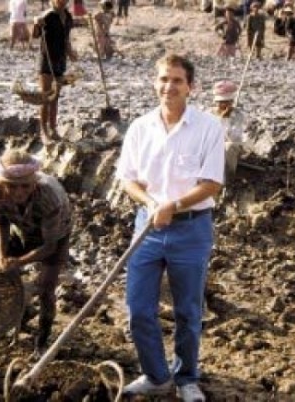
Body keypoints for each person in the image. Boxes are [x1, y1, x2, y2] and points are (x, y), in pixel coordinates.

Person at [116, 54, 225, 401]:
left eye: (177, 80)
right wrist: (151, 205)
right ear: (155, 83)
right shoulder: (140, 127)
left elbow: (211, 184)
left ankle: (186, 377)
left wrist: (173, 205)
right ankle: (156, 375)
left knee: (188, 311)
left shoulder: (209, 127)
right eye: (164, 79)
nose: (169, 86)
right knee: (138, 309)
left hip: (191, 229)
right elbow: (127, 179)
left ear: (190, 87)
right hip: (147, 227)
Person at [0, 148, 72, 356]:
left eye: (25, 186)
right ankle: (8, 320)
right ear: (3, 183)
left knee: (45, 288)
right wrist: (1, 254)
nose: (19, 192)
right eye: (12, 187)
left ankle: (42, 341)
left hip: (55, 235)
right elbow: (1, 222)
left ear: (34, 183)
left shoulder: (49, 196)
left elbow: (49, 247)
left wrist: (19, 261)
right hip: (20, 227)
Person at [32, 0, 77, 144]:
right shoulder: (48, 15)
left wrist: (71, 53)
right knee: (46, 97)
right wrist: (36, 23)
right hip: (46, 60)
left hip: (60, 60)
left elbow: (66, 39)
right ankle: (43, 131)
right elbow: (35, 35)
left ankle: (53, 129)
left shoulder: (68, 17)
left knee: (55, 97)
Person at [211, 80, 245, 183]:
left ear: (232, 102)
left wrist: (225, 120)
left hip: (231, 147)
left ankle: (227, 181)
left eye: (226, 102)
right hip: (212, 146)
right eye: (220, 102)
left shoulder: (238, 115)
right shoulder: (208, 114)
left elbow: (234, 138)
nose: (223, 105)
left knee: (228, 147)